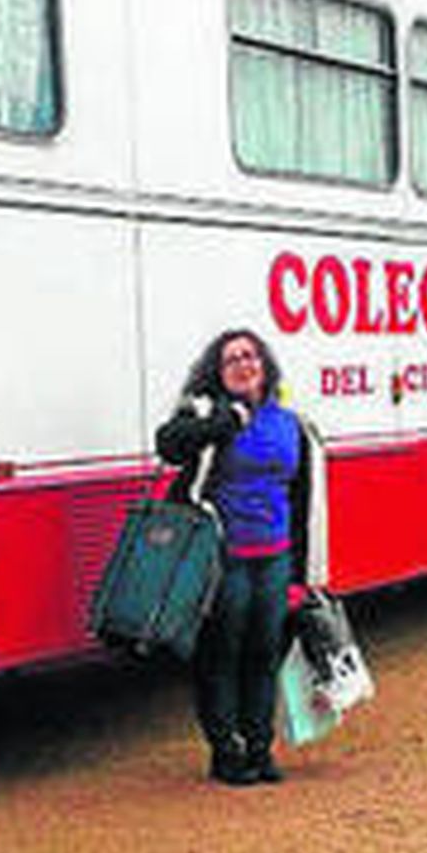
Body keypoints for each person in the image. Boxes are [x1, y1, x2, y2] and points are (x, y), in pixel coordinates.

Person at [155, 327, 320, 787]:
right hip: (222, 557)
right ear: (218, 371)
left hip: (275, 556)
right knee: (221, 653)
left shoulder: (290, 423)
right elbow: (168, 444)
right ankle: (226, 752)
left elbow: (302, 500)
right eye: (232, 359)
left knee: (264, 653)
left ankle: (260, 748)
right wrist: (225, 421)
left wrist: (300, 574)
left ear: (264, 365)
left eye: (251, 356)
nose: (244, 364)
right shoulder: (207, 412)